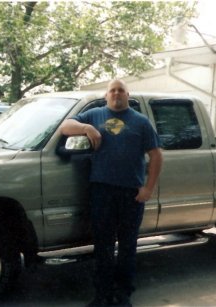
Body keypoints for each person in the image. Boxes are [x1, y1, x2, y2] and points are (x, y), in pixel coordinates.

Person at [60, 79, 163, 306]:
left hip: (131, 194)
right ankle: (102, 295)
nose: (117, 94)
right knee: (103, 245)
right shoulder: (94, 115)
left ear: (128, 95)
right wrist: (86, 128)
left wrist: (148, 188)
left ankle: (122, 295)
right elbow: (65, 127)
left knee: (127, 247)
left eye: (121, 90)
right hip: (102, 191)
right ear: (106, 95)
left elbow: (156, 155)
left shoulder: (141, 122)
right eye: (112, 90)